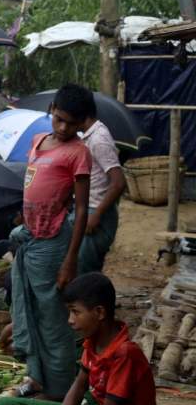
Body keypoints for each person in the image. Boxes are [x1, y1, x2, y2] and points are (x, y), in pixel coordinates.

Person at [8, 84, 92, 400]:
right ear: (52, 109)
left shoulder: (78, 153)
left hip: (54, 243)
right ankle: (35, 376)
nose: (64, 127)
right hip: (31, 237)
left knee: (53, 319)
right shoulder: (38, 140)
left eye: (72, 123)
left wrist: (71, 259)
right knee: (27, 309)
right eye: (59, 119)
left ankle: (60, 391)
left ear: (82, 122)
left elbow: (82, 208)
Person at [0, 273, 155, 405]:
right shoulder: (92, 341)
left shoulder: (124, 353)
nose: (70, 319)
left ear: (99, 312)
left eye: (75, 312)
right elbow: (79, 386)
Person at [78, 98, 126, 274]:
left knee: (86, 271)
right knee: (85, 269)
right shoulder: (88, 137)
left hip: (96, 212)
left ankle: (94, 302)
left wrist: (96, 214)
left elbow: (119, 182)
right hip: (89, 209)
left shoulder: (99, 139)